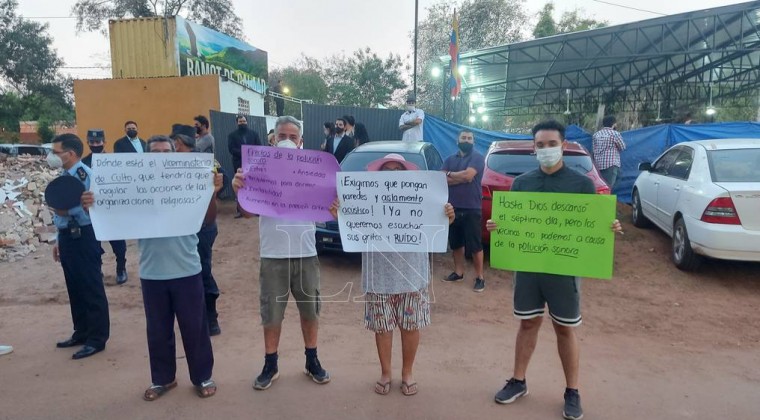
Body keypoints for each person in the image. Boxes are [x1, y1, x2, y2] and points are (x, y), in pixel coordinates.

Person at [487, 120, 622, 420]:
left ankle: (572, 391)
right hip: (529, 269)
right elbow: (511, 226)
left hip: (564, 270)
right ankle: (518, 380)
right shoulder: (521, 184)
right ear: (534, 148)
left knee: (565, 328)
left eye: (552, 144)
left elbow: (594, 225)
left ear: (563, 146)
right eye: (540, 145)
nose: (546, 149)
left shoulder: (582, 185)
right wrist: (497, 226)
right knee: (528, 324)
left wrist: (609, 227)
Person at [83, 135, 222, 401]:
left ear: (174, 155)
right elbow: (112, 217)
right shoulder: (136, 186)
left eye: (165, 152)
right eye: (154, 152)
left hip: (187, 269)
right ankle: (163, 379)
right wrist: (92, 205)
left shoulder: (188, 182)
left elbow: (209, 219)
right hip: (152, 273)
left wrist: (211, 192)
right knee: (158, 331)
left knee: (195, 328)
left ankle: (202, 376)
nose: (159, 156)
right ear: (146, 158)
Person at [329, 154, 455, 396]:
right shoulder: (365, 198)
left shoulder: (422, 198)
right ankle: (385, 372)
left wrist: (447, 214)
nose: (393, 173)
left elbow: (439, 225)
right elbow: (349, 224)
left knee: (410, 326)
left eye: (399, 169)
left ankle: (407, 372)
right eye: (388, 169)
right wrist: (340, 214)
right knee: (382, 328)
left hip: (412, 274)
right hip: (378, 276)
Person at [232, 116, 330, 391]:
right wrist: (238, 189)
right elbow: (249, 213)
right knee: (271, 314)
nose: (288, 139)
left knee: (310, 311)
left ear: (301, 142)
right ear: (272, 139)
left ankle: (312, 360)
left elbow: (329, 209)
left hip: (305, 251)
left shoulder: (314, 169)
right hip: (273, 253)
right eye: (282, 134)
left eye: (293, 135)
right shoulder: (257, 169)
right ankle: (270, 363)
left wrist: (335, 203)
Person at [48, 133, 110, 360]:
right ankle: (81, 331)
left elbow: (95, 207)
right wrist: (57, 239)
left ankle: (97, 338)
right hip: (67, 236)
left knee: (91, 286)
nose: (52, 156)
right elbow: (59, 212)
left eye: (56, 152)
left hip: (84, 236)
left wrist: (68, 211)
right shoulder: (65, 175)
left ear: (71, 153)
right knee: (74, 286)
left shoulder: (88, 175)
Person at [171, 124, 223, 336]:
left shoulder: (204, 161)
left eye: (174, 144)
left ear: (180, 143)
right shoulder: (169, 165)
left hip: (203, 225)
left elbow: (222, 179)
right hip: (180, 225)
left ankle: (210, 316)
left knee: (202, 268)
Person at [441, 129, 486, 292]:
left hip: (472, 207)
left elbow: (469, 176)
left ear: (473, 142)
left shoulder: (478, 157)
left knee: (475, 245)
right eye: (463, 138)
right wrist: (460, 178)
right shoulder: (449, 159)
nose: (466, 140)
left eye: (469, 138)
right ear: (457, 140)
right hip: (452, 208)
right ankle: (458, 273)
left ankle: (480, 277)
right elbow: (441, 180)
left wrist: (451, 175)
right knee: (456, 243)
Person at [81, 129, 128, 285]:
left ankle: (121, 268)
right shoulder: (84, 164)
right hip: (93, 212)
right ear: (88, 143)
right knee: (94, 245)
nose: (95, 144)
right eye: (92, 142)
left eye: (98, 142)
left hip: (113, 211)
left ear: (104, 142)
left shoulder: (113, 161)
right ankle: (97, 269)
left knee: (119, 244)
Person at [227, 115, 262, 218]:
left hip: (253, 165)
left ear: (247, 122)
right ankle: (240, 210)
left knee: (254, 187)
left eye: (244, 121)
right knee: (240, 186)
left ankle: (256, 209)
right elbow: (231, 149)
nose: (242, 123)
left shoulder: (254, 134)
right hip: (239, 165)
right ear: (237, 123)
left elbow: (259, 147)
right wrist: (245, 153)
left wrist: (250, 154)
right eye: (240, 121)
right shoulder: (232, 135)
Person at [592, 115, 626, 191]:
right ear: (614, 124)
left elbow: (594, 150)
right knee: (609, 186)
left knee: (604, 182)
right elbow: (622, 147)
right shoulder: (615, 134)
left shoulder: (596, 135)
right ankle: (606, 200)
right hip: (611, 164)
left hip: (598, 164)